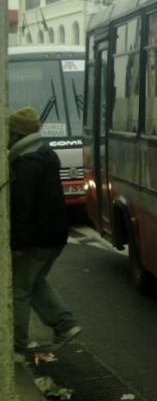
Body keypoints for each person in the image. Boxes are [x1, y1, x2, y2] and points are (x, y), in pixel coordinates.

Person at [8, 106, 81, 362]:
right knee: (36, 281)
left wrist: (16, 243)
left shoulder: (26, 164)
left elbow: (22, 209)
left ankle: (16, 349)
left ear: (16, 135)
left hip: (35, 239)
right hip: (54, 236)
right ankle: (65, 325)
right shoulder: (45, 155)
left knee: (18, 290)